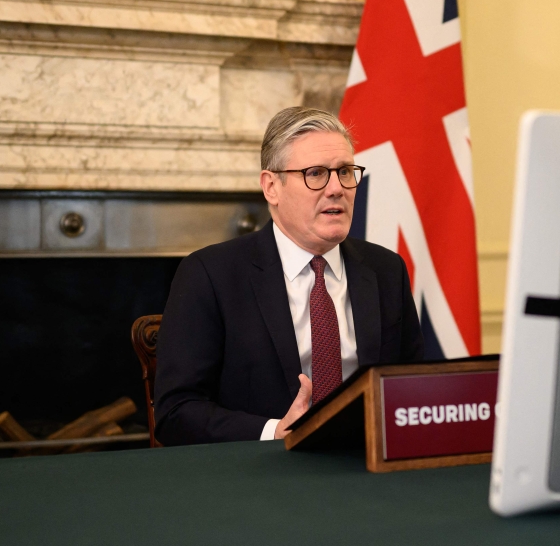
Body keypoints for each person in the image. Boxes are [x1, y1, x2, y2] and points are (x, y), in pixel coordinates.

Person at [154, 107, 424, 444]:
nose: (337, 188)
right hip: (259, 480)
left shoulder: (385, 271)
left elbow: (414, 391)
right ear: (271, 187)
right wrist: (273, 432)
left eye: (345, 172)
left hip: (366, 471)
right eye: (315, 173)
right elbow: (176, 412)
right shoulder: (210, 275)